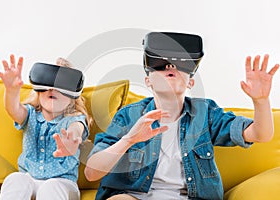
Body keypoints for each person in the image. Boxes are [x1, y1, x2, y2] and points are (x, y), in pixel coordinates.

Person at [84, 32, 279, 200]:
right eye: (160, 64)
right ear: (147, 82)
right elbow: (92, 172)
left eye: (180, 64)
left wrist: (260, 101)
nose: (170, 67)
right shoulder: (129, 116)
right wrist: (129, 139)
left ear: (190, 83)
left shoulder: (206, 113)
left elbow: (260, 135)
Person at [0, 54, 92, 200]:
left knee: (51, 187)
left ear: (72, 97)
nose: (52, 89)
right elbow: (13, 109)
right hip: (30, 179)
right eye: (47, 84)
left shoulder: (73, 119)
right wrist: (11, 91)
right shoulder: (30, 115)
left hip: (63, 184)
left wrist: (72, 139)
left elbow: (76, 128)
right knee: (15, 179)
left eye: (61, 85)